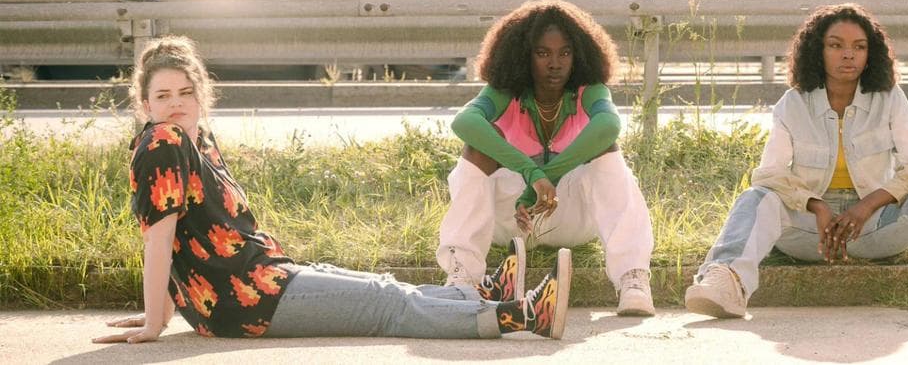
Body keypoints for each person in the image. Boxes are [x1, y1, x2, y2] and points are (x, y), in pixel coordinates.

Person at [94, 36, 570, 346]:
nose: (176, 105)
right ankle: (521, 315)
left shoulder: (197, 138)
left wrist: (162, 310)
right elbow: (159, 239)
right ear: (143, 105)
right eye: (162, 96)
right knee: (387, 308)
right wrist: (153, 322)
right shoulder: (164, 142)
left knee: (386, 288)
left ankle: (481, 295)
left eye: (185, 93)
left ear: (201, 94)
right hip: (247, 302)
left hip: (266, 278)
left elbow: (185, 244)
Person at [684, 4, 908, 318]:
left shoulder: (889, 98)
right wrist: (817, 206)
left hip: (877, 229)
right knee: (756, 197)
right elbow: (769, 174)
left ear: (870, 54)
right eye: (836, 45)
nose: (848, 54)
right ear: (817, 50)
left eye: (859, 46)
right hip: (810, 232)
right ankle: (726, 282)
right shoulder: (793, 103)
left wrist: (866, 206)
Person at [437, 0, 656, 316]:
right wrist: (530, 173)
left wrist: (546, 177)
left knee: (606, 150)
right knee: (478, 147)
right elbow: (464, 122)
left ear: (577, 54)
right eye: (543, 53)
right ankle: (463, 278)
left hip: (572, 217)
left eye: (564, 52)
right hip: (512, 219)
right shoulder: (505, 91)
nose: (555, 63)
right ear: (523, 55)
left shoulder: (588, 90)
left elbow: (610, 125)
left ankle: (632, 278)